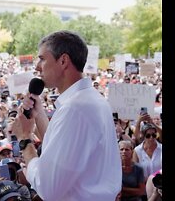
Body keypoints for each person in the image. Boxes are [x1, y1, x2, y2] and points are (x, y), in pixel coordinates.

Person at [10, 30, 122, 201]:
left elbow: (48, 188)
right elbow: (64, 152)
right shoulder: (92, 100)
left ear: (63, 60)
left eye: (42, 59)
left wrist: (25, 139)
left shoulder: (75, 109)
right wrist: (39, 116)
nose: (37, 66)